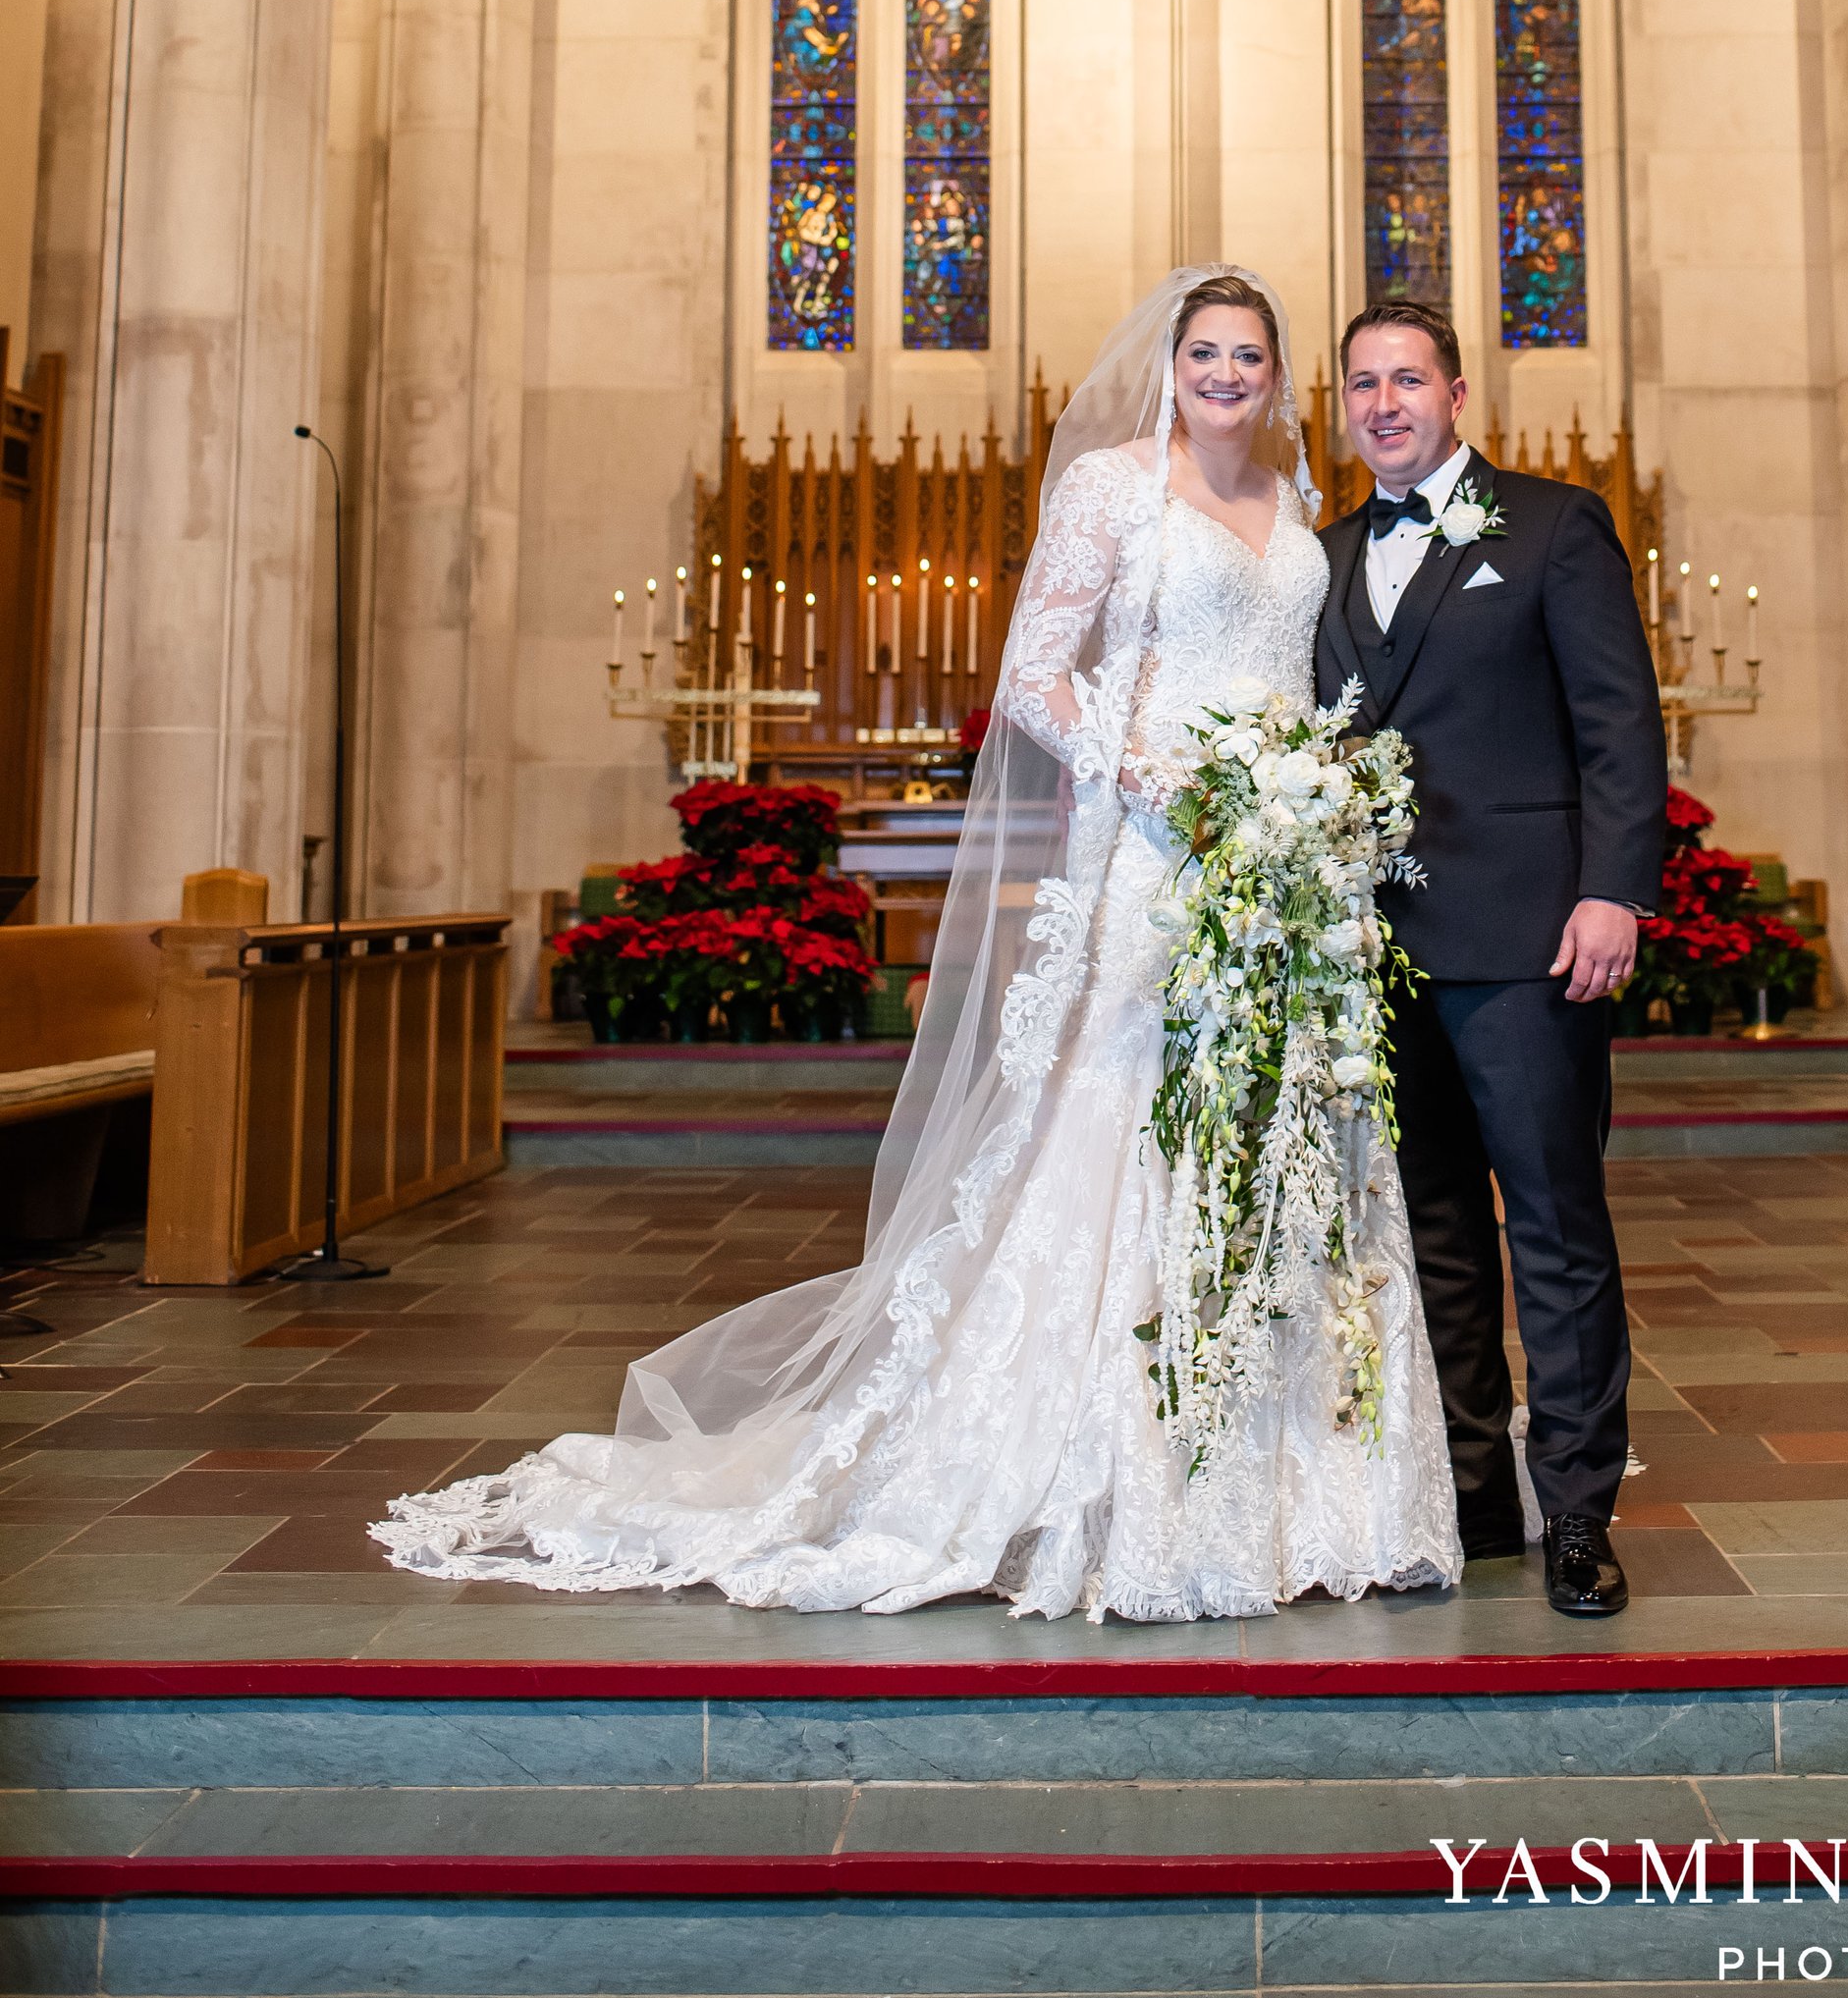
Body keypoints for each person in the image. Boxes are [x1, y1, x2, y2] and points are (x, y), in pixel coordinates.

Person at [373, 267, 1460, 1620]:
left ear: (1278, 372)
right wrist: (1146, 769)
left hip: (1280, 876)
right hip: (1158, 861)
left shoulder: (1299, 511)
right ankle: (1109, 1472)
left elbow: (1301, 685)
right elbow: (1033, 673)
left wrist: (1302, 804)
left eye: (1250, 354)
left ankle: (1306, 1481)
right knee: (1128, 1135)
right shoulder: (1115, 488)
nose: (1227, 373)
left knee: (1284, 1135)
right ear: (1170, 364)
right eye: (1205, 351)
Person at [1316, 297, 1666, 1619]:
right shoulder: (1328, 555)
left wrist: (1611, 890)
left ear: (1459, 393)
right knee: (1440, 1234)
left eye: (1409, 378)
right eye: (1364, 383)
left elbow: (1617, 724)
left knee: (1558, 1227)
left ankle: (1579, 1506)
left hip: (1530, 940)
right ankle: (1474, 1489)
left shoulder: (1556, 528)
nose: (1387, 401)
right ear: (1344, 405)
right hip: (1380, 953)